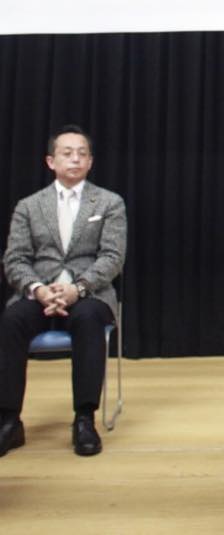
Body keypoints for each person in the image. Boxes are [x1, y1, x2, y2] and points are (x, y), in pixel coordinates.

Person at [0, 125, 126, 458]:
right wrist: (39, 289)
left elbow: (112, 257)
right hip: (40, 292)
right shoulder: (29, 206)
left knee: (87, 318)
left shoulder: (110, 202)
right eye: (67, 153)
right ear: (50, 161)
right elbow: (15, 259)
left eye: (82, 153)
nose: (75, 159)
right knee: (12, 320)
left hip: (89, 293)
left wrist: (78, 288)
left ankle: (84, 419)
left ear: (90, 161)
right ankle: (9, 420)